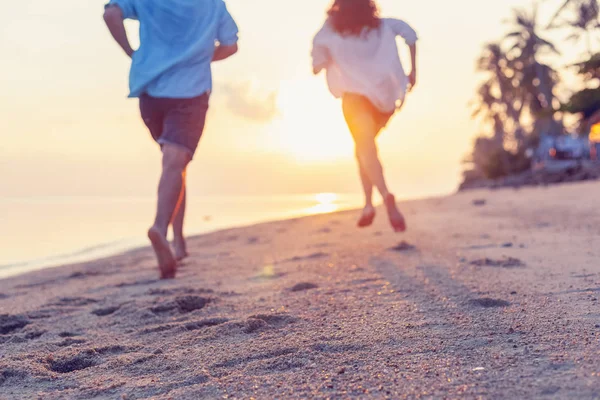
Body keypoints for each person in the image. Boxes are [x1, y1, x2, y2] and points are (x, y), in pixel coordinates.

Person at [103, 0, 239, 279]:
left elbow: (111, 12)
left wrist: (131, 52)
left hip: (150, 93)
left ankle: (178, 242)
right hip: (189, 95)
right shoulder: (213, 4)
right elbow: (230, 44)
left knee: (174, 163)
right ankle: (160, 230)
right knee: (175, 163)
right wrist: (197, 55)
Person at [311, 0, 418, 232]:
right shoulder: (382, 27)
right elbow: (410, 35)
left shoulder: (332, 29)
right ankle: (369, 204)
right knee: (365, 147)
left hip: (355, 100)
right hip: (385, 100)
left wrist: (326, 60)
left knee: (365, 148)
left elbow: (316, 63)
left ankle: (383, 195)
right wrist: (413, 71)